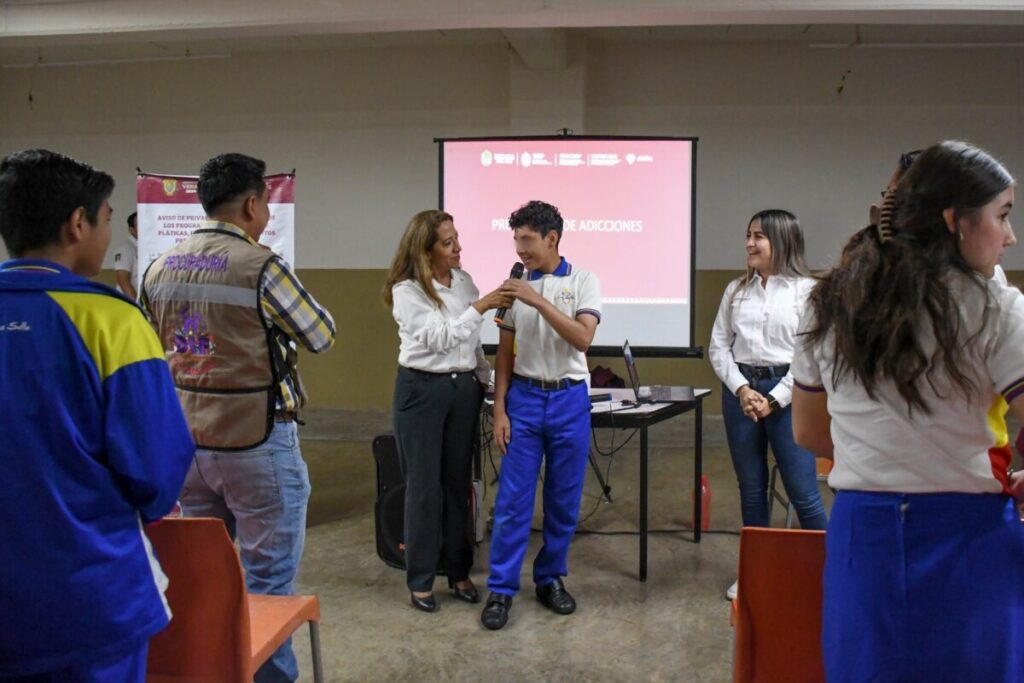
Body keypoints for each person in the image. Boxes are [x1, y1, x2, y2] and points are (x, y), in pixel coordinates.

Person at [791, 141, 1024, 682]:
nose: (1010, 236)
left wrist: (888, 450)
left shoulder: (828, 302)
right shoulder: (995, 306)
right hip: (973, 536)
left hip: (862, 538)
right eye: (1003, 216)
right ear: (954, 221)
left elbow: (807, 429)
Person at [141, 153, 335, 683]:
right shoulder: (261, 266)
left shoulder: (159, 267)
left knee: (204, 580)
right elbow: (320, 334)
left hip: (188, 445)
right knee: (267, 584)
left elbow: (150, 346)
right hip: (258, 443)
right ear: (252, 204)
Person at [0, 149, 194, 681]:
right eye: (108, 220)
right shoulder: (111, 321)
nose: (109, 237)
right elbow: (157, 474)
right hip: (86, 603)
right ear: (77, 223)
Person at [481, 200, 602, 631]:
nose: (520, 249)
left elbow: (582, 339)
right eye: (516, 239)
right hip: (525, 400)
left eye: (527, 240)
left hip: (569, 399)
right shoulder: (514, 286)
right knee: (513, 501)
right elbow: (504, 354)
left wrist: (537, 300)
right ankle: (501, 588)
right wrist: (499, 408)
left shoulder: (584, 281)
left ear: (552, 238)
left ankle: (550, 579)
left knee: (563, 502)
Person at [383, 210, 511, 613]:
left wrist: (486, 380)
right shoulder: (407, 291)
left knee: (459, 484)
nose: (458, 247)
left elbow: (471, 341)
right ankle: (420, 580)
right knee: (423, 488)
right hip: (421, 390)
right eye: (448, 242)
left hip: (462, 391)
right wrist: (483, 305)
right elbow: (439, 339)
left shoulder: (464, 281)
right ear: (425, 249)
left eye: (457, 238)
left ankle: (459, 572)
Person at [708, 209, 828, 600]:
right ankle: (756, 574)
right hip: (741, 390)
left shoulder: (808, 291)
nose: (749, 243)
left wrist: (774, 400)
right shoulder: (735, 291)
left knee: (803, 491)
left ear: (783, 241)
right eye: (748, 235)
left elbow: (811, 356)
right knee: (752, 489)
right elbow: (719, 347)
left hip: (790, 394)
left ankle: (828, 576)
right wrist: (743, 390)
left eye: (759, 236)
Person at [113, 210, 138, 299]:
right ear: (131, 230)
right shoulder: (125, 249)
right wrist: (137, 306)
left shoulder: (145, 249)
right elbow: (123, 281)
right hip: (129, 305)